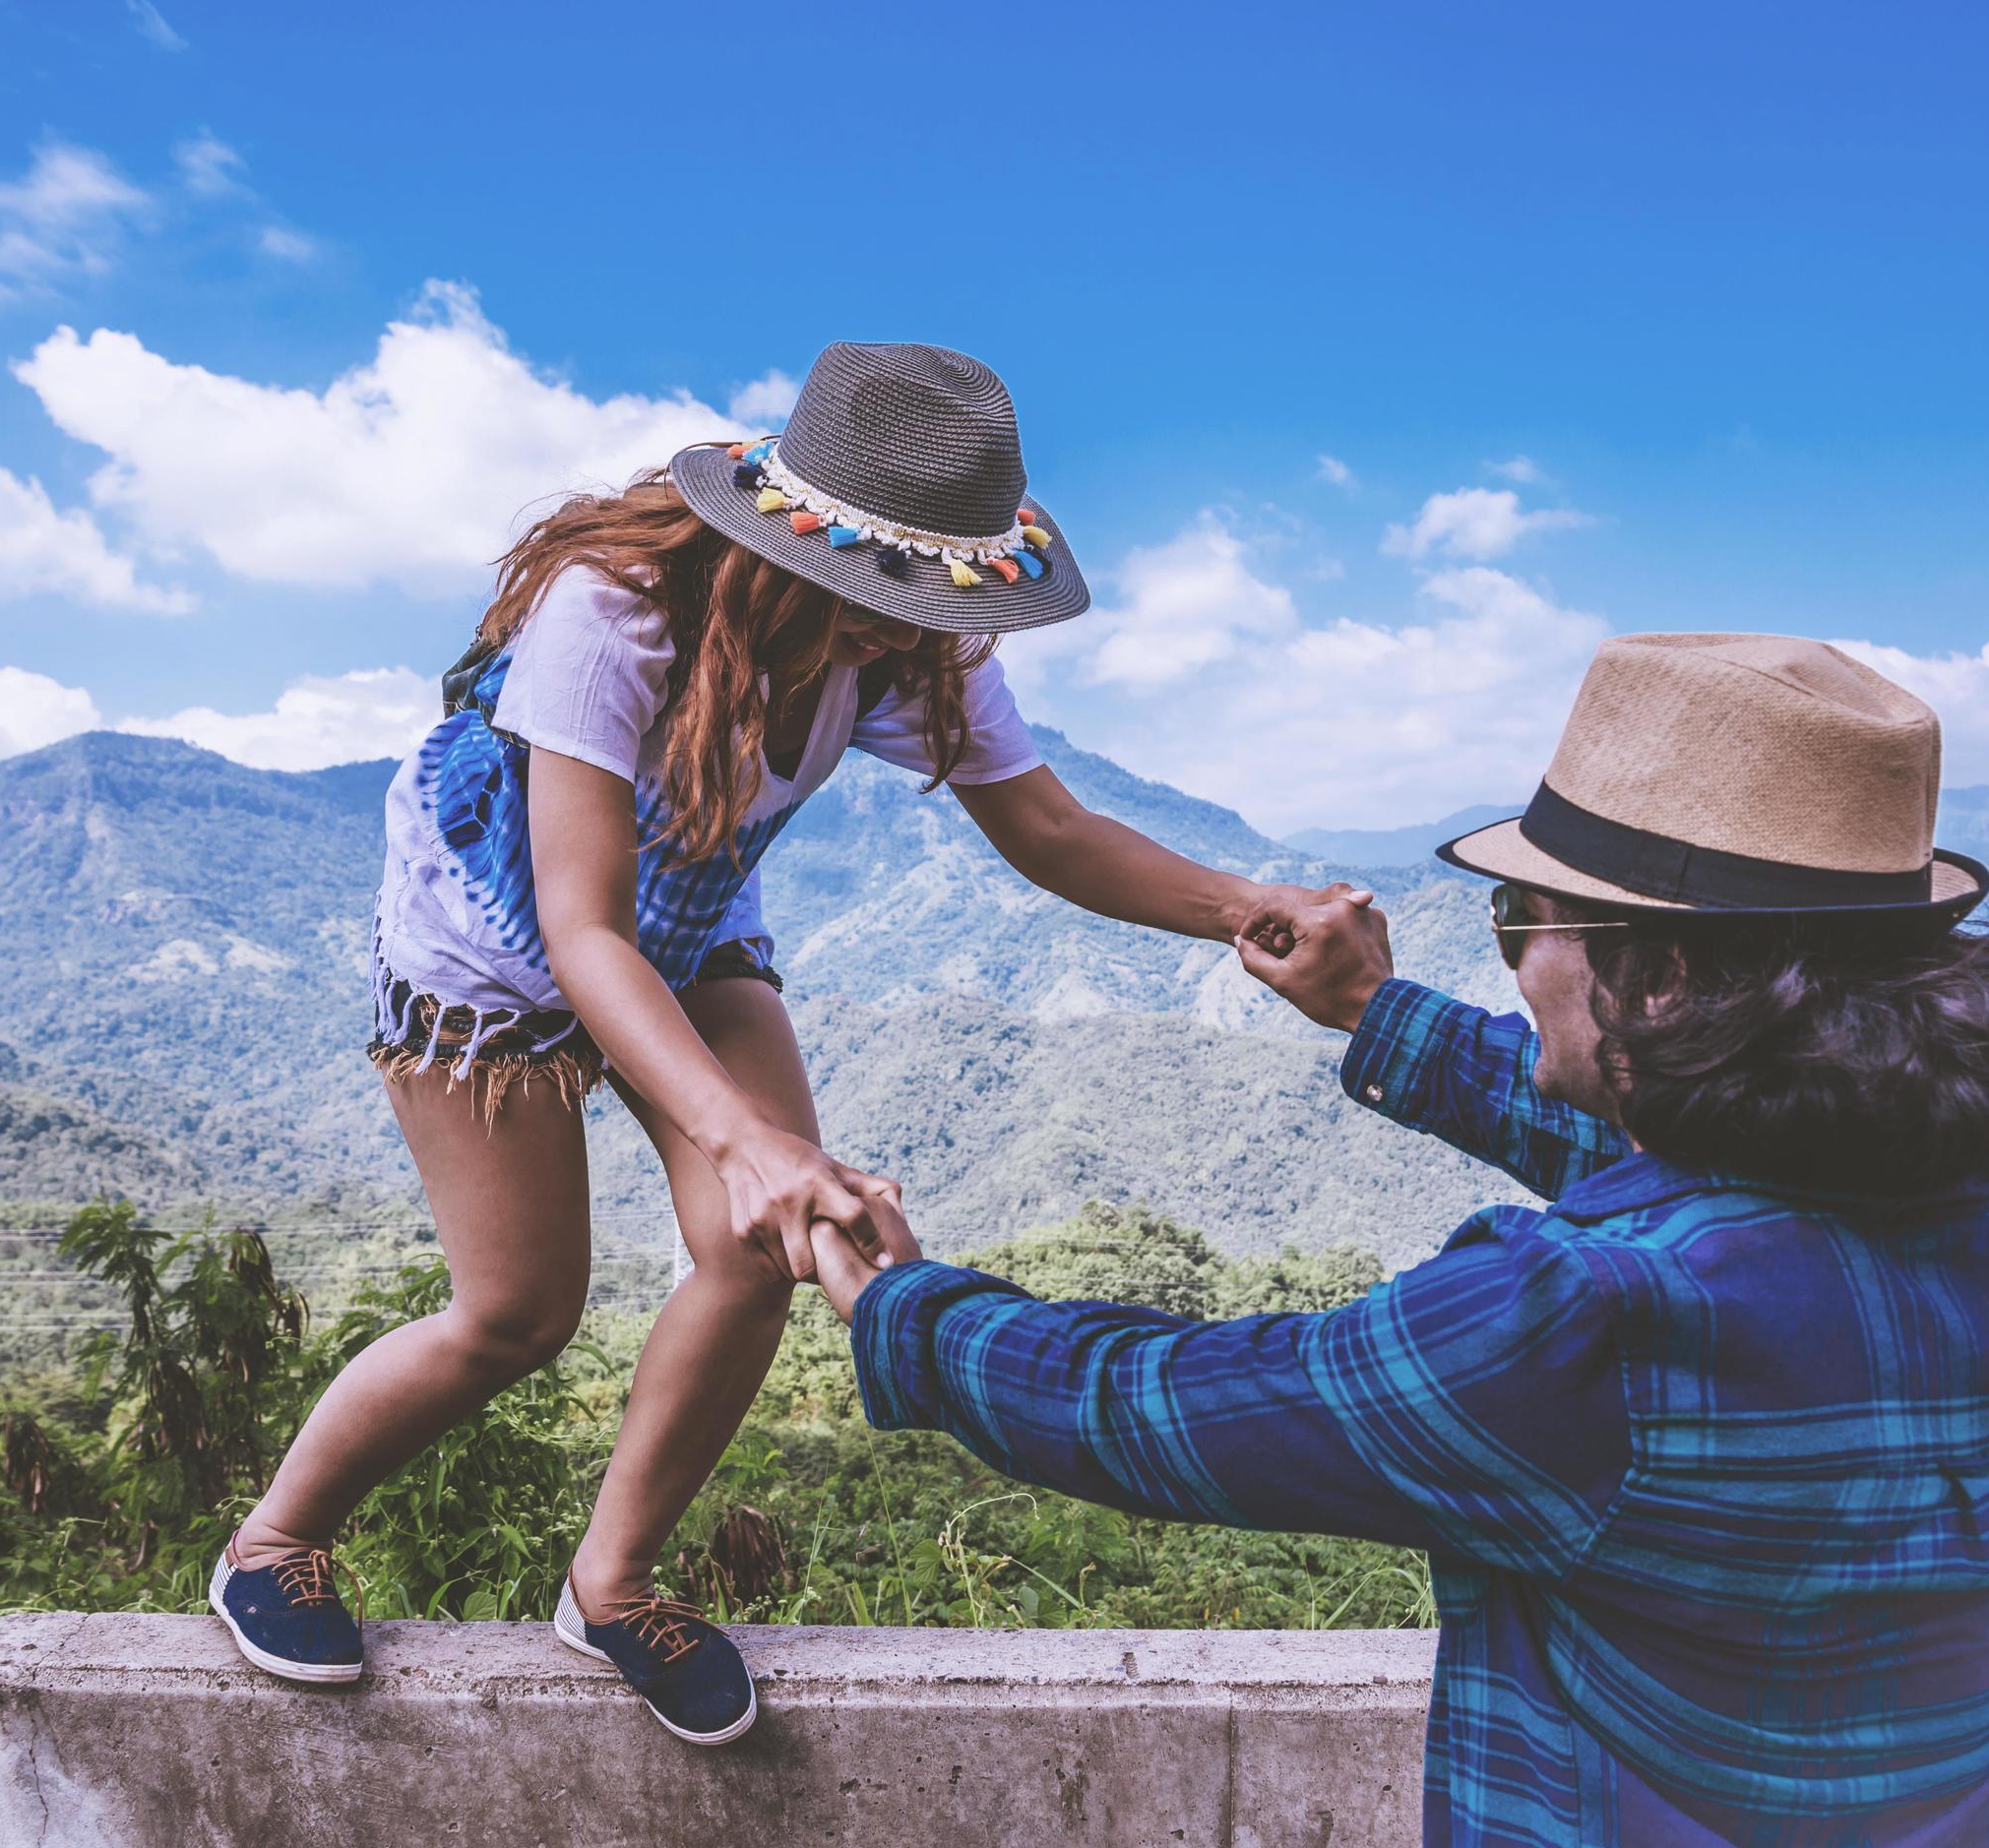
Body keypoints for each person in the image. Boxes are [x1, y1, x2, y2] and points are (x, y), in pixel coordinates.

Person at [809, 634, 1989, 1848]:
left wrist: (904, 1307)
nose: (1516, 953)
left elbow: (1155, 1407)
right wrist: (1375, 1011)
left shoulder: (1574, 1331)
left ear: (1658, 981)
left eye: (1516, 922)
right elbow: (1736, 1145)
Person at [210, 340, 1350, 1745]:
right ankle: (272, 1542)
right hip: (494, 936)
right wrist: (742, 1137)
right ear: (779, 547)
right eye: (878, 589)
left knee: (757, 1242)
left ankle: (611, 1583)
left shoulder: (915, 636)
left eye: (922, 593)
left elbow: (1046, 829)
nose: (902, 622)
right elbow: (581, 928)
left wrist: (1257, 907)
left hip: (685, 907)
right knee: (517, 1313)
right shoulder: (613, 613)